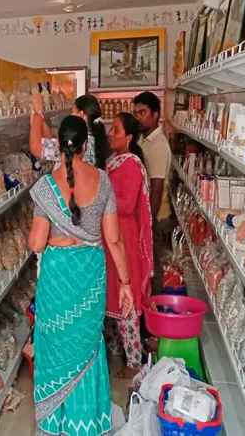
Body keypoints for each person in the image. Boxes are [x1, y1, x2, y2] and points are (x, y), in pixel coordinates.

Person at [28, 115, 133, 436]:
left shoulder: (46, 187)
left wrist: (55, 235)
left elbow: (36, 243)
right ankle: (86, 423)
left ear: (58, 146)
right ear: (86, 145)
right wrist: (126, 284)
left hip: (57, 280)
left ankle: (55, 423)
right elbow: (114, 239)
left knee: (55, 345)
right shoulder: (102, 180)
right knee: (88, 346)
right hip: (90, 277)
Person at [103, 112, 154, 379]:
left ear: (130, 137)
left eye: (117, 130)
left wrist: (102, 196)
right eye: (111, 129)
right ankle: (114, 352)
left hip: (125, 237)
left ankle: (134, 361)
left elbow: (127, 204)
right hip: (111, 235)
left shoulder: (132, 165)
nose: (111, 134)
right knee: (111, 293)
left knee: (127, 297)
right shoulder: (114, 161)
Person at [133, 91, 172, 292]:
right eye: (136, 113)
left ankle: (156, 304)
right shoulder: (144, 139)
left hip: (155, 217)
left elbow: (156, 189)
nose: (138, 117)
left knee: (153, 267)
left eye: (143, 112)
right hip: (147, 214)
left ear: (155, 115)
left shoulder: (157, 145)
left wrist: (147, 222)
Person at [30, 94, 111, 171]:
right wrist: (40, 121)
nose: (70, 116)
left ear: (81, 114)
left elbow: (36, 147)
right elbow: (56, 145)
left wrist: (38, 113)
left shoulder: (79, 140)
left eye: (72, 112)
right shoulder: (93, 138)